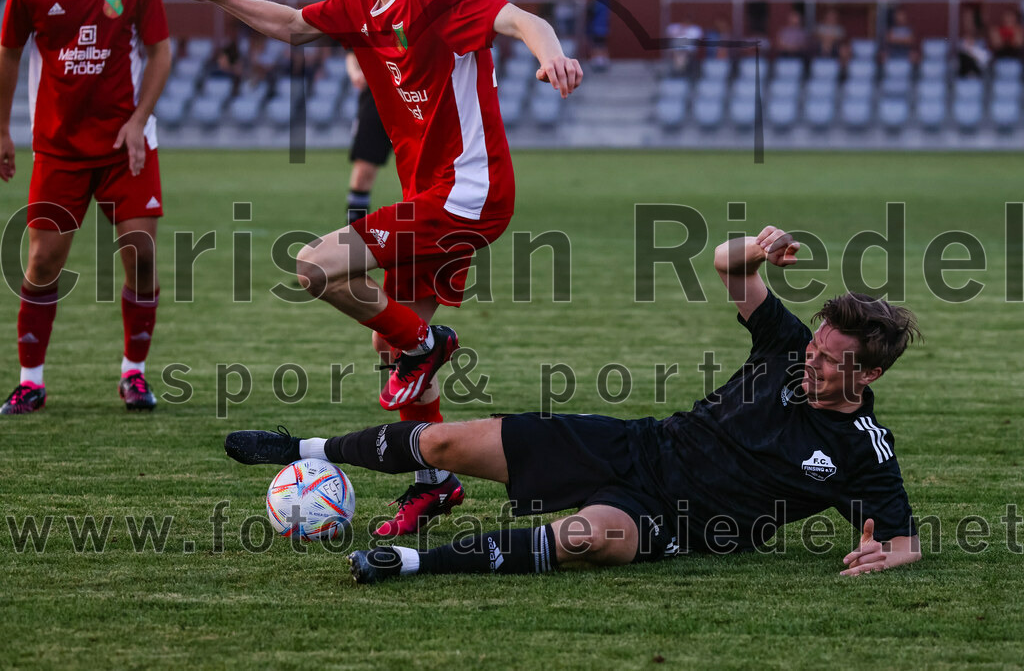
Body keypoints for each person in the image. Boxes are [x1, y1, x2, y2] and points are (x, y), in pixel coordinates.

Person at [145, 0, 582, 536]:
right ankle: (435, 483)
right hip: (431, 196)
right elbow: (292, 25)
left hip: (468, 193)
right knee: (389, 341)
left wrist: (554, 58)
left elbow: (524, 20)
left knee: (316, 266)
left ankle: (427, 345)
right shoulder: (360, 4)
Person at [225, 223, 924, 585]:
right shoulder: (786, 345)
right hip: (635, 445)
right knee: (443, 443)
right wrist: (760, 247)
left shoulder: (863, 449)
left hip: (679, 519)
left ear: (869, 374)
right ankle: (302, 450)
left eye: (830, 360)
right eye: (816, 347)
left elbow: (901, 540)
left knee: (588, 540)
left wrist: (891, 556)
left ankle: (406, 563)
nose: (812, 360)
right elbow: (726, 264)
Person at [0, 0, 171, 415]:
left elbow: (161, 53)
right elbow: (8, 55)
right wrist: (2, 129)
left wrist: (138, 119)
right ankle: (30, 381)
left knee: (141, 255)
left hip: (128, 144)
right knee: (43, 261)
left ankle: (134, 374)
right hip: (59, 148)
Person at [343, 51, 391, 226]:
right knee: (363, 174)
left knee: (423, 177)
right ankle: (355, 232)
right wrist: (355, 72)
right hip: (376, 96)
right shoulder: (372, 30)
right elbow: (352, 50)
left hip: (417, 94)